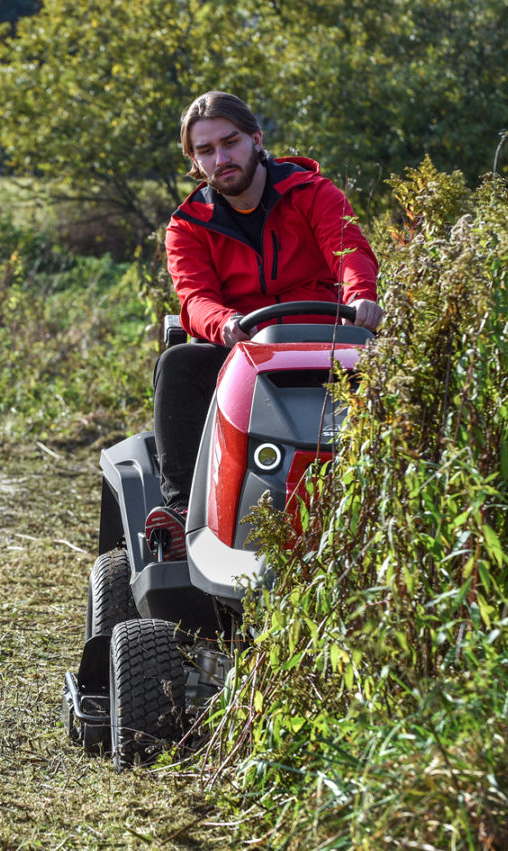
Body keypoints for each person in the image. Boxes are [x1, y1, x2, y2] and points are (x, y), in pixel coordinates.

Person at [145, 91, 382, 560]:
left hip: (327, 340)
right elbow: (194, 298)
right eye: (205, 151)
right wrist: (224, 322)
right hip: (244, 348)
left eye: (230, 143)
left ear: (256, 140)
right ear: (194, 162)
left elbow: (349, 251)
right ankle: (180, 516)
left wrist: (361, 297)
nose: (221, 158)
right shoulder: (188, 226)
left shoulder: (313, 193)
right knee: (179, 364)